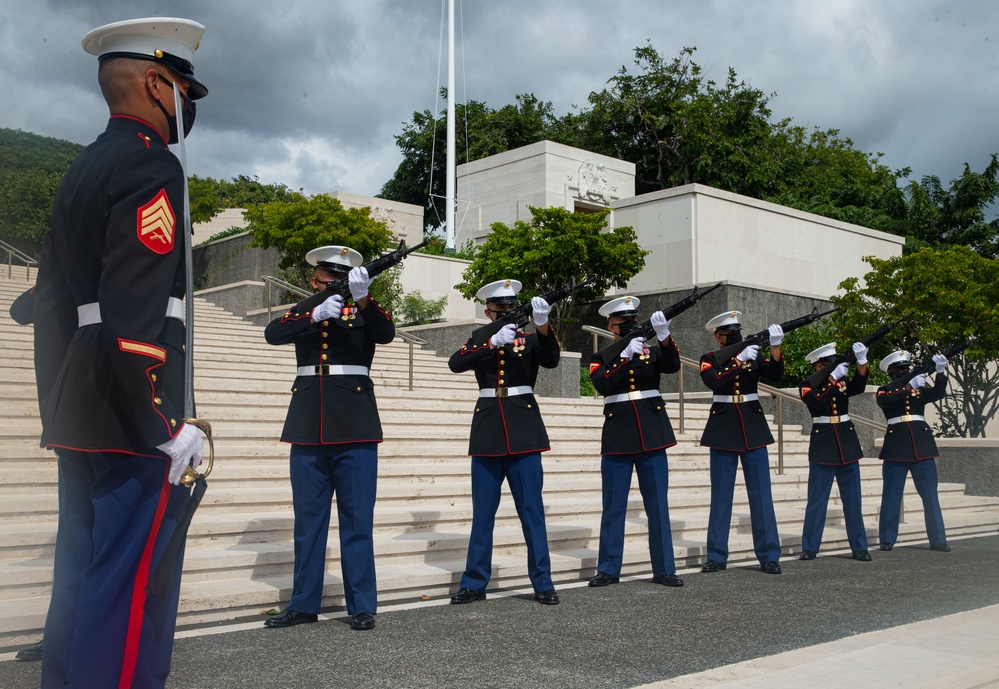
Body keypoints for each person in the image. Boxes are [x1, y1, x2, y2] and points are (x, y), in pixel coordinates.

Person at [31, 18, 208, 688]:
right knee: (130, 590)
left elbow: (53, 306)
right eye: (183, 88)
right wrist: (162, 423)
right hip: (134, 413)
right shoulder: (149, 163)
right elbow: (135, 313)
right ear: (158, 83)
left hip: (82, 409)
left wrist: (60, 405)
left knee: (79, 576)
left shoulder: (84, 165)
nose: (185, 106)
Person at [263, 245, 395, 631]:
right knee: (308, 523)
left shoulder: (364, 308)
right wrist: (313, 313)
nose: (334, 284)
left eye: (341, 278)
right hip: (307, 424)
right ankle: (303, 603)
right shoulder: (304, 308)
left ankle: (362, 606)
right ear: (313, 279)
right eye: (327, 279)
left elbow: (385, 334)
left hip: (355, 425)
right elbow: (273, 333)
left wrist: (363, 297)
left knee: (357, 522)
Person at [447, 279, 561, 605]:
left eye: (512, 308)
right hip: (487, 433)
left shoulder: (530, 339)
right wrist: (492, 343)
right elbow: (456, 362)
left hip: (524, 432)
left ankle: (543, 582)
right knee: (483, 515)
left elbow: (552, 358)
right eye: (501, 309)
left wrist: (542, 325)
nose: (507, 313)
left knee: (532, 512)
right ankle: (474, 583)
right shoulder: (480, 339)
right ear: (488, 311)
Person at [586, 296, 684, 588]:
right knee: (613, 506)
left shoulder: (651, 351)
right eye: (623, 324)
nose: (629, 329)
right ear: (611, 327)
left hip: (652, 433)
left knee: (657, 506)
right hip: (618, 435)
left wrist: (665, 337)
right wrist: (623, 357)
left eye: (632, 323)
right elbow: (602, 383)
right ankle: (608, 568)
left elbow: (673, 366)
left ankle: (664, 568)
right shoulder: (601, 357)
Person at [698, 311, 785, 574]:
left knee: (761, 496)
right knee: (721, 496)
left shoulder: (754, 354)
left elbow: (775, 375)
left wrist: (776, 347)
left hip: (752, 426)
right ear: (718, 336)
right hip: (723, 427)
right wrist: (737, 362)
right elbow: (714, 382)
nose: (733, 336)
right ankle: (716, 555)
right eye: (728, 333)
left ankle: (769, 555)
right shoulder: (710, 359)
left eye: (736, 332)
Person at [798, 342, 872, 561]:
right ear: (819, 367)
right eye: (829, 366)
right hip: (824, 442)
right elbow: (816, 403)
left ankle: (859, 546)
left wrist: (861, 363)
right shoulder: (807, 385)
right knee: (817, 500)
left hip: (846, 441)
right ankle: (810, 546)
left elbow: (858, 387)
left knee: (853, 500)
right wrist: (831, 380)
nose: (835, 369)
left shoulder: (842, 381)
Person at [875, 350, 951, 552]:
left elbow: (937, 393)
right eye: (899, 369)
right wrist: (908, 387)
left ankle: (938, 539)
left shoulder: (919, 388)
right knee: (891, 495)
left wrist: (941, 372)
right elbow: (886, 401)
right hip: (896, 447)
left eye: (905, 368)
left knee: (930, 496)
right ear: (890, 372)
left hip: (921, 446)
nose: (903, 371)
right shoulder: (885, 391)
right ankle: (887, 538)